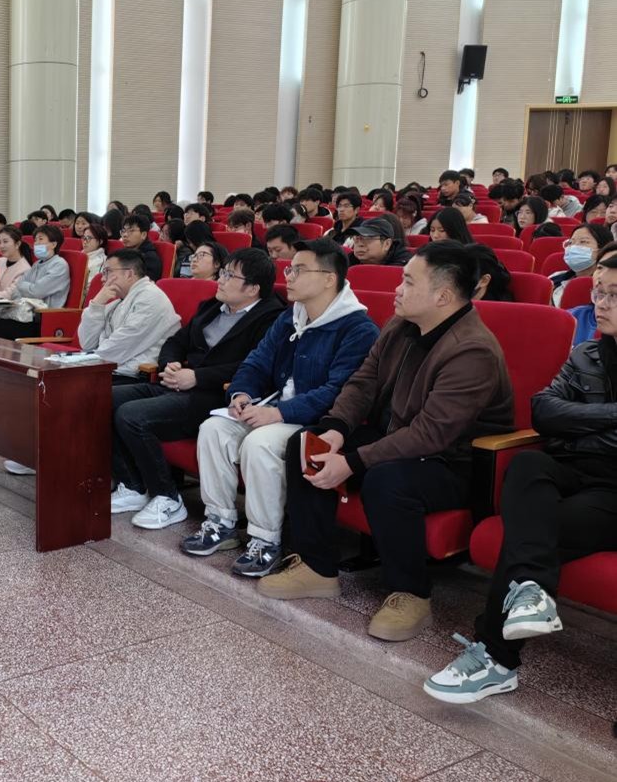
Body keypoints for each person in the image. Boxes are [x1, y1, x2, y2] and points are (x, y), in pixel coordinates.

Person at [259, 242, 515, 641]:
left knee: (386, 480)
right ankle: (316, 567)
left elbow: (431, 434)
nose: (397, 289)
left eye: (408, 282)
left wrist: (353, 461)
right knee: (305, 443)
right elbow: (363, 382)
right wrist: (335, 428)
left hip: (454, 464)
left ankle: (411, 594)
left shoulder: (472, 350)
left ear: (443, 296)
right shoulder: (401, 324)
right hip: (398, 438)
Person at [424, 251, 617, 703]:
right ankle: (530, 595)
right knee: (527, 465)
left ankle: (496, 657)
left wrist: (580, 422)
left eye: (615, 295)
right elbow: (544, 411)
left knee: (530, 531)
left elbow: (562, 417)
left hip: (612, 489)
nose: (601, 303)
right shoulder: (587, 353)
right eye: (599, 292)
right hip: (570, 465)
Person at [182, 238, 379, 567]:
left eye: (298, 270)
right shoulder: (291, 317)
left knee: (259, 443)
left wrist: (279, 413)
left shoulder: (358, 329)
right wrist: (242, 394)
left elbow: (339, 391)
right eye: (289, 269)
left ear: (329, 279)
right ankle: (221, 521)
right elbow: (256, 363)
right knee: (214, 428)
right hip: (274, 408)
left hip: (317, 420)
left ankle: (265, 540)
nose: (288, 276)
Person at [111, 249, 284, 524]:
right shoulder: (213, 307)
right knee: (103, 398)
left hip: (215, 396)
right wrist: (170, 364)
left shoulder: (271, 318)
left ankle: (168, 498)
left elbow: (251, 366)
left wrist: (197, 377)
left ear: (253, 288)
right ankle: (133, 485)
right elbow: (176, 341)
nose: (221, 280)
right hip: (179, 384)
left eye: (229, 275)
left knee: (132, 415)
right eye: (223, 272)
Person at [77, 249, 180, 386]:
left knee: (68, 389)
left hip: (132, 377)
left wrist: (80, 361)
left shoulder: (150, 299)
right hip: (111, 369)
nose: (102, 278)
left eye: (107, 272)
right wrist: (97, 304)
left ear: (129, 274)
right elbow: (87, 343)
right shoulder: (119, 302)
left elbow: (116, 351)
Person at [0, 225, 71, 340]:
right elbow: (16, 291)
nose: (36, 243)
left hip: (43, 318)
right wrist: (28, 288)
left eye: (40, 239)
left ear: (53, 244)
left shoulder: (59, 265)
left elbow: (36, 291)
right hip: (26, 314)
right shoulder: (37, 264)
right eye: (35, 240)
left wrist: (25, 287)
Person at [550, 222, 614, 306]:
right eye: (571, 243)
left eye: (583, 242)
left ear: (602, 249)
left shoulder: (610, 286)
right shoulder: (555, 278)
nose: (574, 247)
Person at [0, 228, 32, 299]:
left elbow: (10, 294)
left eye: (5, 241)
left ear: (17, 244)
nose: (1, 246)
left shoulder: (25, 270)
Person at [118, 214, 163, 280]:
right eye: (123, 231)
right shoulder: (123, 253)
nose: (125, 235)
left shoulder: (149, 259)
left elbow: (144, 283)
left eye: (131, 231)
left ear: (143, 235)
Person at [80, 221, 109, 292]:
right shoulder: (79, 256)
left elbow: (89, 287)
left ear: (100, 241)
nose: (85, 241)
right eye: (84, 238)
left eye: (89, 238)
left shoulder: (102, 261)